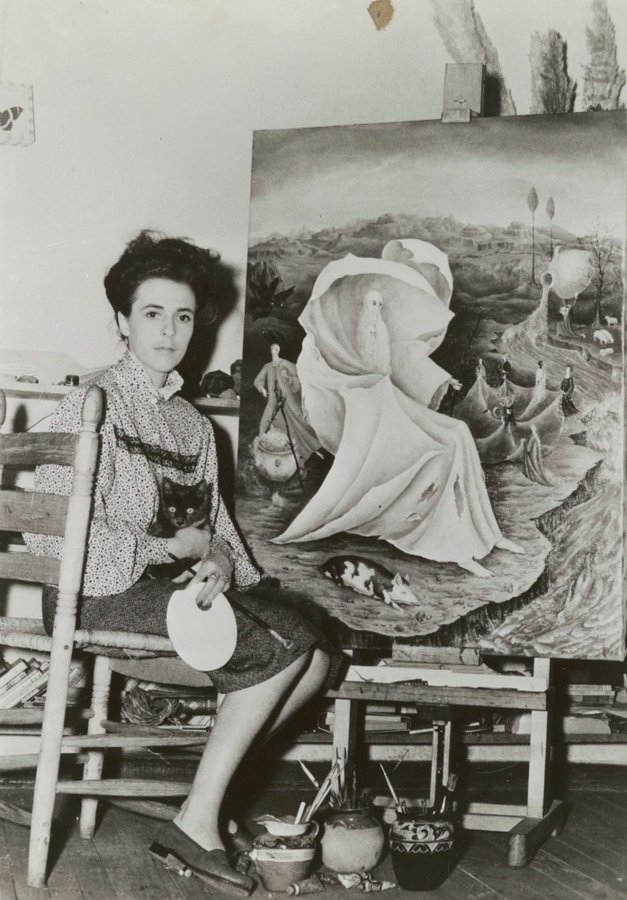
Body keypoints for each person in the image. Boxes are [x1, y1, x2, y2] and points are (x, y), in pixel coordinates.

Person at [25, 231, 338, 894]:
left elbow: (215, 533)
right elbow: (54, 541)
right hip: (94, 593)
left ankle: (205, 801)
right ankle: (197, 822)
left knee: (313, 656)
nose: (169, 331)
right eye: (152, 313)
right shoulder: (90, 405)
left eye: (184, 316)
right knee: (278, 644)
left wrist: (219, 558)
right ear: (122, 321)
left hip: (168, 597)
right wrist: (164, 550)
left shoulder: (194, 426)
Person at [253, 342, 320, 466]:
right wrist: (262, 388)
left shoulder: (286, 364)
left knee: (296, 420)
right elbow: (258, 380)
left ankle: (304, 450)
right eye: (273, 349)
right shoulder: (267, 366)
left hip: (287, 399)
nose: (275, 351)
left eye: (277, 349)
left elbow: (297, 380)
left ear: (279, 350)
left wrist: (288, 378)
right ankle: (262, 448)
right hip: (273, 399)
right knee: (266, 420)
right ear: (270, 350)